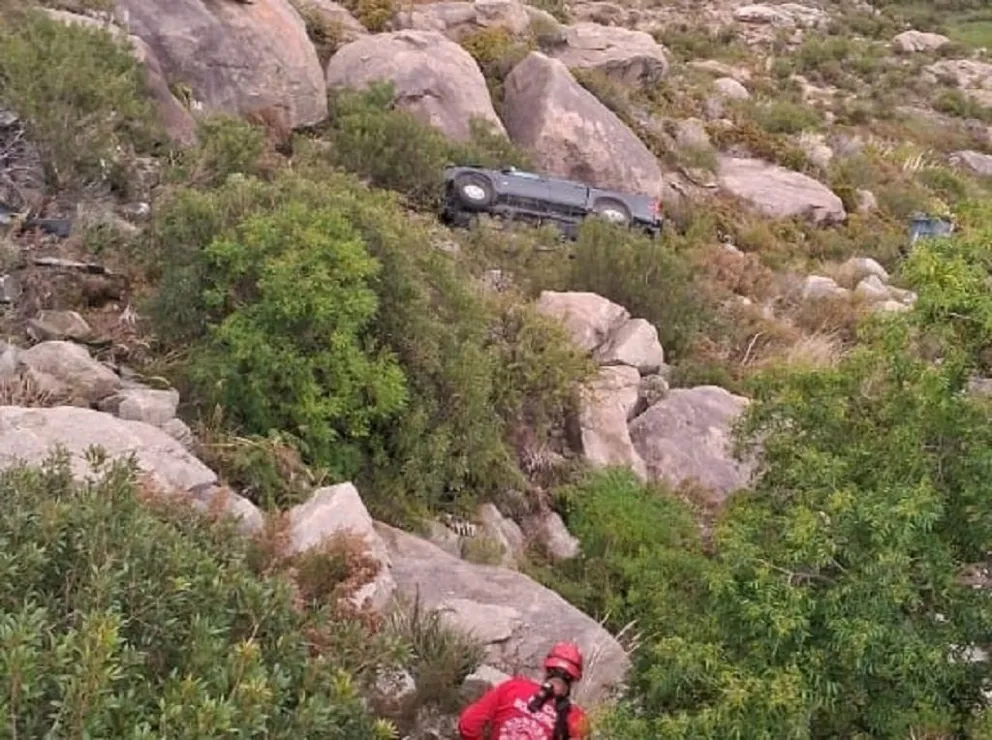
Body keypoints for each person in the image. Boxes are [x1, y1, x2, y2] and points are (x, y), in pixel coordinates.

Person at [457, 642, 589, 739]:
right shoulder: (577, 719)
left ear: (547, 668)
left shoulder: (514, 688)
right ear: (574, 679)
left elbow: (468, 724)